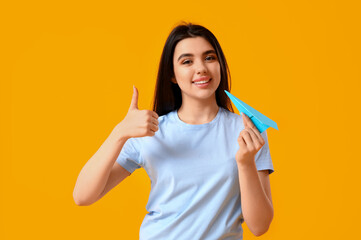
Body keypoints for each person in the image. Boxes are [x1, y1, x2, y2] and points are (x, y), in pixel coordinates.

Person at [73, 22, 275, 240]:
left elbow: (259, 226)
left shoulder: (247, 132)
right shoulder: (151, 131)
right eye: (187, 61)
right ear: (172, 74)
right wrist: (119, 133)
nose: (201, 68)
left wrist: (245, 163)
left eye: (209, 58)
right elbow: (83, 196)